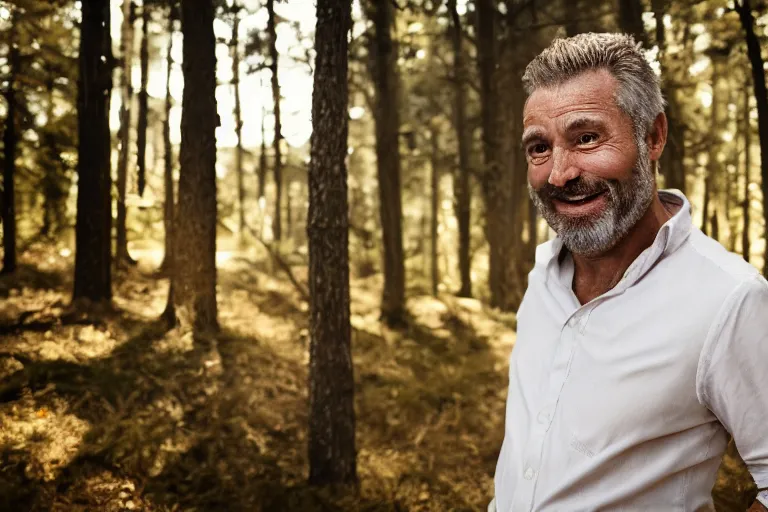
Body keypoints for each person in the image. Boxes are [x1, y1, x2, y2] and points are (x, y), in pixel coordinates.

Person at [489, 33, 768, 512]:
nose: (559, 174)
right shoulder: (541, 278)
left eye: (587, 138)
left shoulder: (729, 298)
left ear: (653, 136)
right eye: (539, 147)